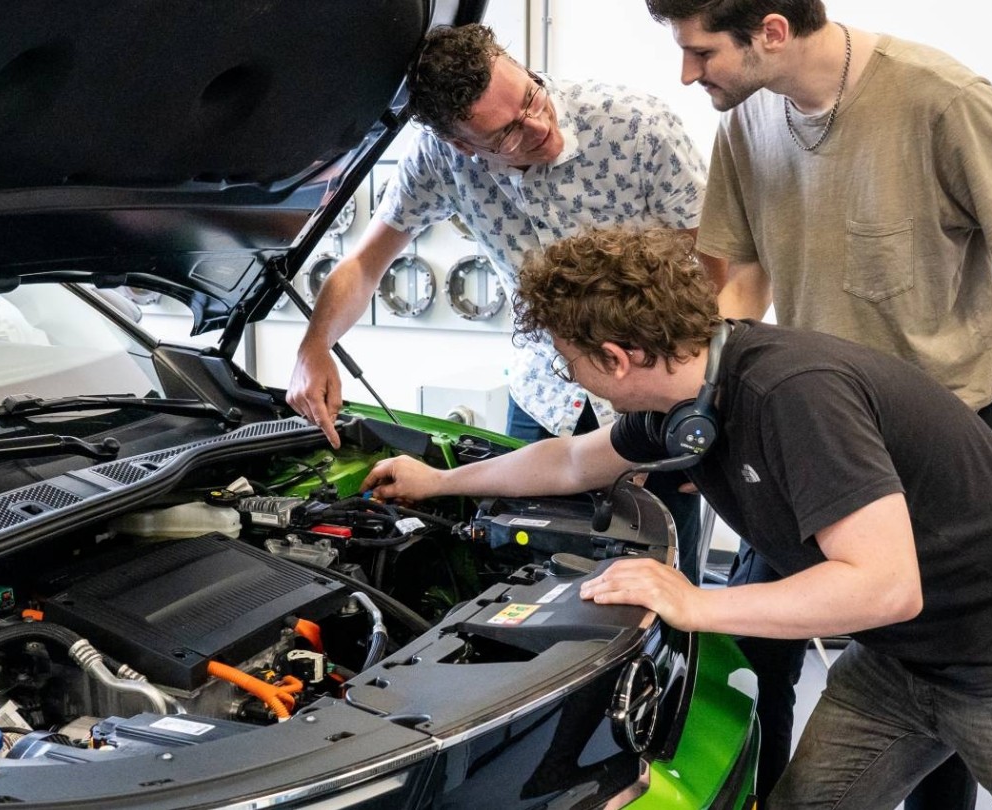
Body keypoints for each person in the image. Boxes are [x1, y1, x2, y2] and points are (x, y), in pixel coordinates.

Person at [362, 229, 992, 809]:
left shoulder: (792, 395)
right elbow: (569, 462)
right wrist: (439, 481)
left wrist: (697, 602)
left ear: (615, 357)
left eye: (571, 361)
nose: (571, 377)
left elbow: (885, 585)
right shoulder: (685, 401)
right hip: (906, 662)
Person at [644, 2, 992, 804]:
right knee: (759, 646)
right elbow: (748, 274)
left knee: (955, 670)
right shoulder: (748, 119)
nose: (687, 75)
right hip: (809, 430)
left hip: (945, 434)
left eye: (701, 52)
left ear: (773, 30)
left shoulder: (939, 98)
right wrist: (708, 413)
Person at [283, 23, 713, 544]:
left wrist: (703, 404)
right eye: (507, 133)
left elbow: (714, 264)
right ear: (458, 144)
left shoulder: (637, 127)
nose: (540, 127)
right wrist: (314, 346)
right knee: (517, 553)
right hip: (546, 393)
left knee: (660, 560)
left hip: (657, 389)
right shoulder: (436, 160)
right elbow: (364, 264)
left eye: (532, 96)